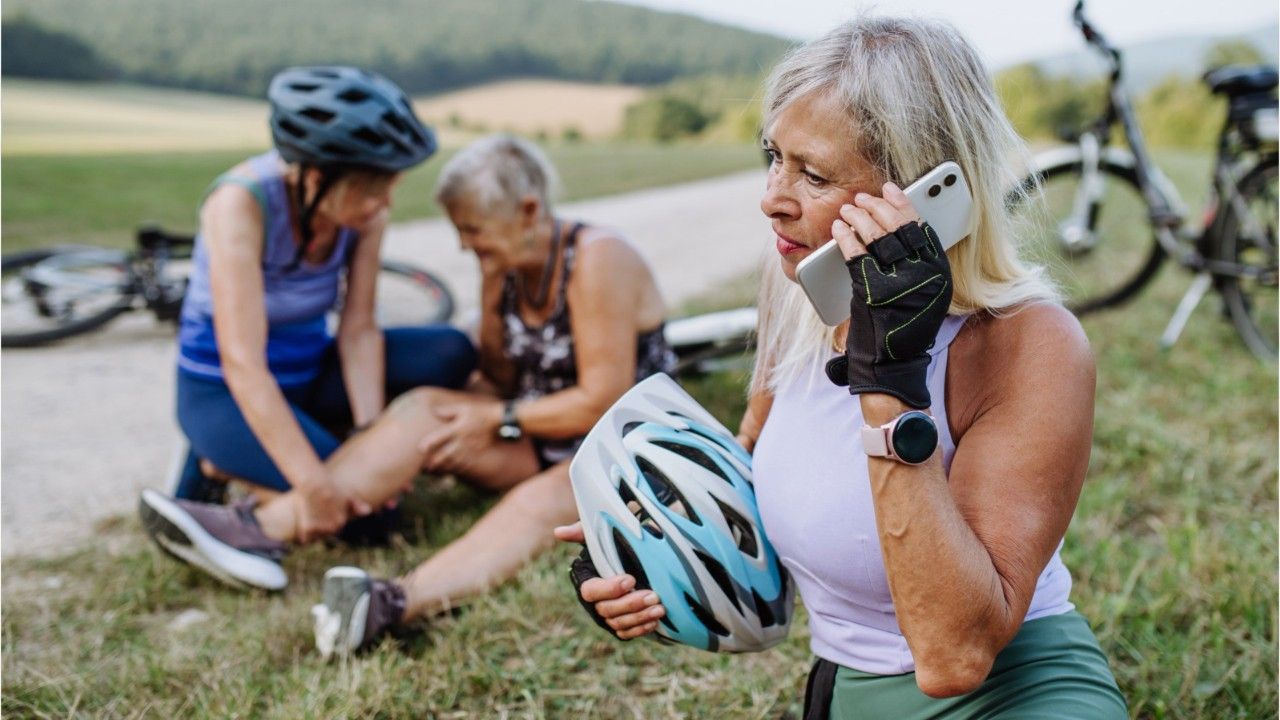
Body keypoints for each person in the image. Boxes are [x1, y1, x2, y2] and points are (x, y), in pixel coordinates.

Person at [559, 15, 1128, 719]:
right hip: (853, 692)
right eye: (774, 156)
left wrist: (890, 384)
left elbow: (956, 653)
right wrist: (646, 543)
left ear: (921, 191)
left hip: (1016, 692)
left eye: (814, 173)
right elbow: (768, 505)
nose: (772, 196)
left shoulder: (1032, 343)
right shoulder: (796, 291)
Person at [140, 135, 677, 656]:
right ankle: (256, 529)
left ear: (529, 209)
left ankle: (388, 603)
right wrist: (444, 426)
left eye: (472, 229)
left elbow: (600, 399)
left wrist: (493, 418)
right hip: (540, 431)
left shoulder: (597, 258)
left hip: (619, 448)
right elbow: (496, 377)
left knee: (544, 500)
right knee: (424, 408)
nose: (466, 244)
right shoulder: (507, 262)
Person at [155, 65, 476, 523]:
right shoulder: (239, 205)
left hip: (309, 371)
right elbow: (244, 365)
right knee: (372, 519)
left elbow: (360, 331)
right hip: (222, 388)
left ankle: (303, 442)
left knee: (449, 350)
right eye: (372, 187)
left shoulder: (365, 218)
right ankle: (215, 461)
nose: (385, 202)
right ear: (315, 176)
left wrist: (371, 435)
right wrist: (314, 484)